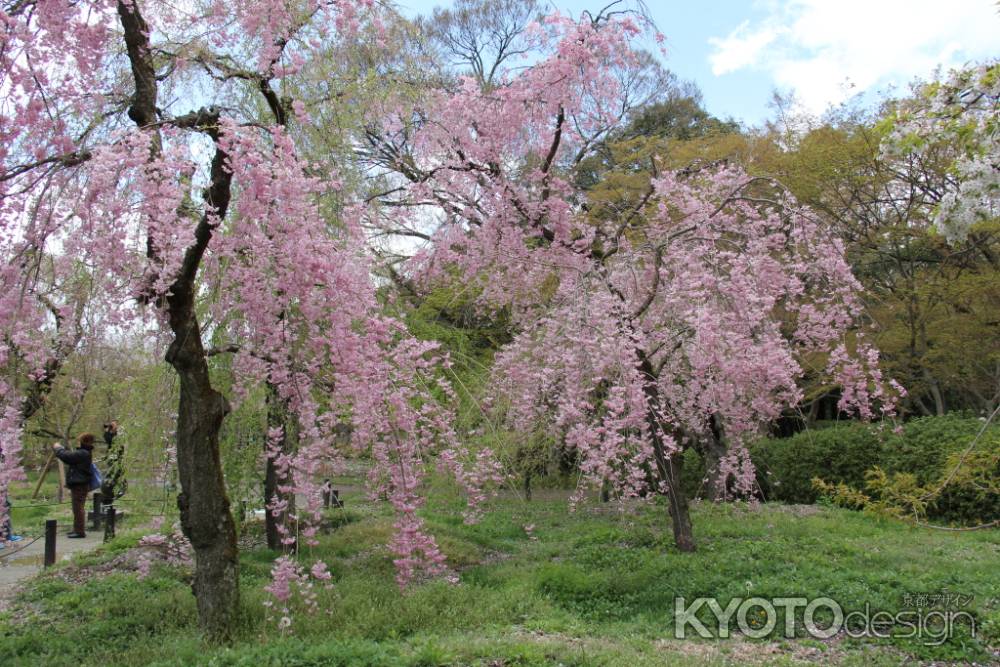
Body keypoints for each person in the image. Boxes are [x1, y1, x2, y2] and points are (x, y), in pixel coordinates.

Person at [53, 434, 95, 538]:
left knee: (78, 508)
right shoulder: (85, 452)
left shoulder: (83, 453)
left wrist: (58, 449)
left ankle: (80, 531)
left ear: (82, 441)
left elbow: (67, 457)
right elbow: (71, 456)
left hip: (79, 485)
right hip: (80, 484)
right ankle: (77, 529)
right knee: (77, 508)